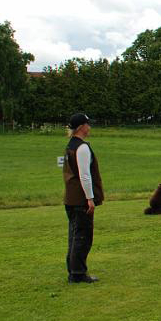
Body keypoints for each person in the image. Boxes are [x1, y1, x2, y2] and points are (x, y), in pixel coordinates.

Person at [63, 113, 104, 284]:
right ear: (81, 127)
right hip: (81, 200)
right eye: (88, 124)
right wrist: (90, 198)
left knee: (74, 235)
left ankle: (73, 270)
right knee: (83, 237)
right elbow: (85, 176)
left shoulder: (70, 146)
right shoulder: (82, 148)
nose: (90, 127)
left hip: (70, 198)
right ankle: (78, 273)